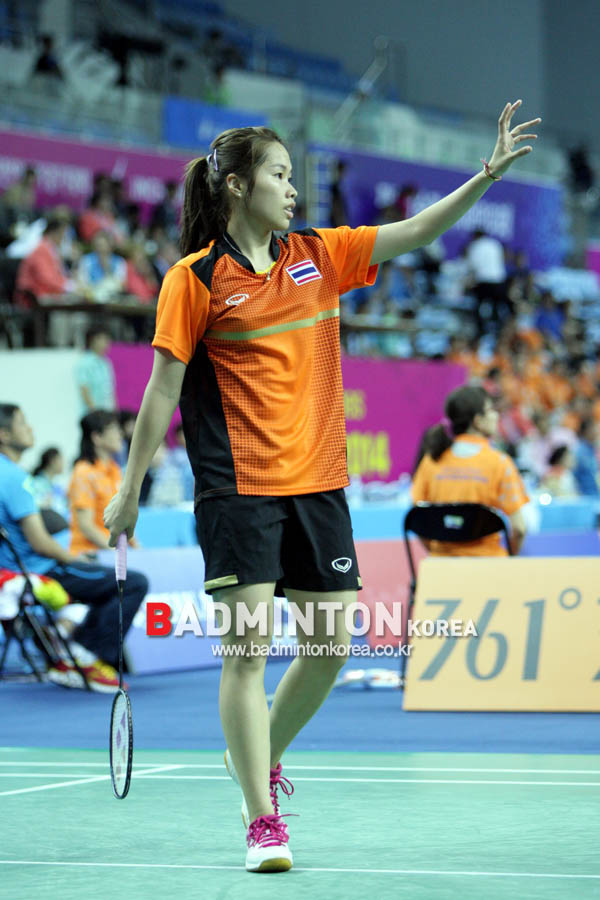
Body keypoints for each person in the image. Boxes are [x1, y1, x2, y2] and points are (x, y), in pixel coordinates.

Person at [103, 103, 540, 871]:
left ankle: (254, 756)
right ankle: (261, 820)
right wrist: (130, 487)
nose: (292, 190)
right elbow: (162, 391)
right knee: (247, 652)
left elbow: (417, 232)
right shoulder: (193, 279)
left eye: (292, 177)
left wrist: (485, 176)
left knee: (331, 644)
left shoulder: (320, 255)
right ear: (237, 186)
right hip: (239, 488)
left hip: (320, 484)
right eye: (279, 175)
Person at [0, 404, 147, 691]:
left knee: (103, 579)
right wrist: (72, 559)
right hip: (36, 572)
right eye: (22, 423)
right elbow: (40, 542)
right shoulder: (13, 478)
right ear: (4, 435)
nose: (30, 428)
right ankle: (83, 657)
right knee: (131, 583)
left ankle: (68, 647)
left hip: (18, 570)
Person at [412, 385, 529, 556]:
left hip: (441, 564)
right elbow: (519, 528)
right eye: (491, 410)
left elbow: (417, 520)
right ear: (477, 421)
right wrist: (509, 560)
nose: (496, 415)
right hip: (487, 565)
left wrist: (438, 553)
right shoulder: (500, 463)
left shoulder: (431, 461)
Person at [68, 411, 127, 556]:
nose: (120, 434)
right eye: (114, 429)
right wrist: (119, 555)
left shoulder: (114, 469)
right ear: (97, 437)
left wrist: (138, 550)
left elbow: (123, 521)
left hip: (112, 552)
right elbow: (86, 527)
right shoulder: (83, 473)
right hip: (90, 554)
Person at [75, 325, 117, 416]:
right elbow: (84, 390)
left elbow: (111, 391)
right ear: (92, 340)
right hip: (92, 415)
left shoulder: (106, 363)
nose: (107, 343)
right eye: (104, 339)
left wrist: (115, 413)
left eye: (108, 340)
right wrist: (95, 413)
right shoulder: (84, 363)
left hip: (108, 414)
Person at [30, 446, 68, 518]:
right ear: (52, 461)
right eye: (61, 460)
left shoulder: (56, 486)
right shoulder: (37, 483)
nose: (64, 464)